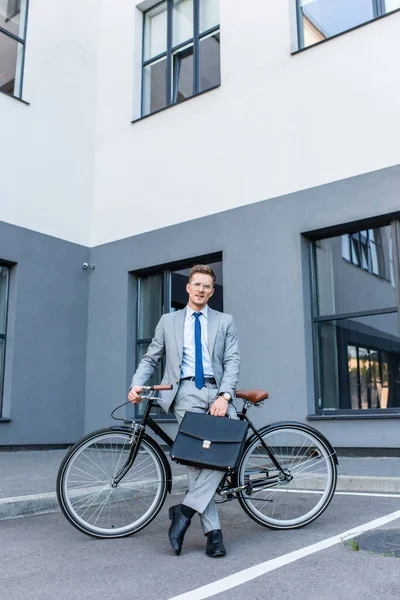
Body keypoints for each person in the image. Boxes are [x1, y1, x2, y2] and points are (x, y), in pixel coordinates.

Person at [128, 264, 240, 558]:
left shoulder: (225, 321)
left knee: (225, 452)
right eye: (197, 284)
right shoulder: (169, 321)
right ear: (188, 288)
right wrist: (137, 384)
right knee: (196, 460)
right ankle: (213, 534)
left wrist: (224, 396)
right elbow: (151, 357)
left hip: (217, 392)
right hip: (185, 392)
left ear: (212, 292)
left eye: (207, 286)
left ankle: (184, 512)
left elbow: (232, 362)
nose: (201, 290)